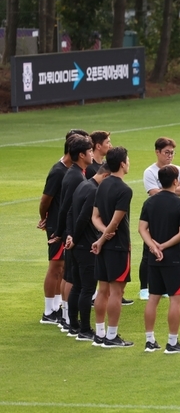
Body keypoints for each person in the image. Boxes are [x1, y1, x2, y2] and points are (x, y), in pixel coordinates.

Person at [139, 165, 180, 354]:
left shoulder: (150, 202)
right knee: (175, 300)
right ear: (176, 181)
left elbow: (142, 229)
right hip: (174, 259)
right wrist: (163, 246)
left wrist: (153, 246)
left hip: (154, 259)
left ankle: (149, 340)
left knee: (153, 298)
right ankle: (172, 342)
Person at [38, 130, 87, 325]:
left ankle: (57, 307)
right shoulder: (58, 171)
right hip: (57, 225)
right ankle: (49, 311)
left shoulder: (70, 170)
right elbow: (45, 200)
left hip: (64, 224)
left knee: (64, 267)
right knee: (56, 266)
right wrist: (45, 219)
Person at [91, 146, 134, 348]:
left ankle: (99, 333)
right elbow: (116, 222)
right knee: (117, 292)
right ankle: (111, 336)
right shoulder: (125, 190)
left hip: (104, 244)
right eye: (128, 159)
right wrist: (103, 238)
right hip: (117, 246)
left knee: (102, 291)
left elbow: (95, 217)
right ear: (123, 164)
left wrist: (101, 234)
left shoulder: (103, 184)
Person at [140, 137, 180, 300]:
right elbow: (153, 193)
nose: (170, 156)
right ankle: (143, 287)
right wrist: (173, 191)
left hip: (168, 211)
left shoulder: (177, 168)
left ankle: (161, 288)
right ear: (157, 152)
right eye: (166, 152)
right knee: (148, 254)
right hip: (155, 215)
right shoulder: (150, 171)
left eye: (172, 153)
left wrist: (166, 192)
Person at [53, 134, 94, 334]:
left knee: (73, 279)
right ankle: (72, 322)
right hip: (75, 237)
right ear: (81, 154)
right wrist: (64, 234)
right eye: (90, 151)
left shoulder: (75, 173)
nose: (93, 154)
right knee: (75, 280)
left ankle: (70, 321)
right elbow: (66, 209)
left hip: (71, 235)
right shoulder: (76, 176)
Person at [68, 163, 112, 343]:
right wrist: (76, 239)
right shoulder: (94, 191)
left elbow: (71, 213)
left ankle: (73, 325)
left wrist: (70, 236)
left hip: (76, 245)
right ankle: (84, 329)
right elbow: (84, 217)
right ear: (106, 176)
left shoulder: (83, 184)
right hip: (86, 246)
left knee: (77, 286)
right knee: (87, 288)